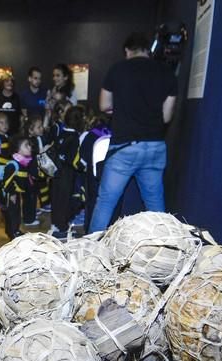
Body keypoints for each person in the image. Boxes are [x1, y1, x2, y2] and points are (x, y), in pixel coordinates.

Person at [89, 32, 177, 233]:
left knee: (106, 202)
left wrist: (122, 109)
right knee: (155, 206)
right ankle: (164, 248)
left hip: (125, 147)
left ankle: (90, 251)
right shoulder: (167, 72)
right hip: (155, 146)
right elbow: (166, 117)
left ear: (127, 50)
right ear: (148, 49)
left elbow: (104, 105)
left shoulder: (118, 70)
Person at [49, 106, 86, 239]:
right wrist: (83, 167)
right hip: (67, 173)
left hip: (55, 171)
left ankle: (54, 224)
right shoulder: (75, 137)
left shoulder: (61, 133)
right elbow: (75, 160)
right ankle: (62, 228)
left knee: (56, 198)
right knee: (65, 200)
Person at [2, 135, 39, 239]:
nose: (30, 147)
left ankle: (16, 230)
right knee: (12, 214)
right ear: (18, 150)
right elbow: (7, 181)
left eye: (30, 145)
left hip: (16, 193)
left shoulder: (23, 163)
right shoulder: (13, 164)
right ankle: (12, 233)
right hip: (10, 194)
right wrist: (12, 193)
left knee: (17, 213)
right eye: (26, 146)